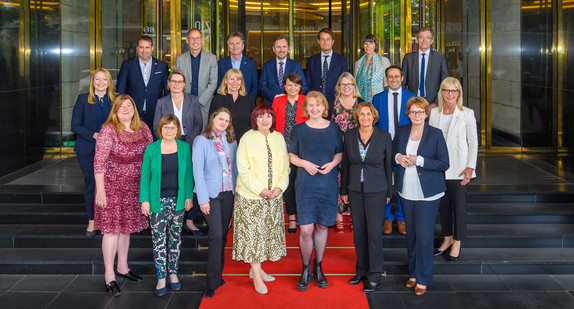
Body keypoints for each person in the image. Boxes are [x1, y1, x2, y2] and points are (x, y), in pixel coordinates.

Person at [94, 95, 154, 296]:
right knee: (111, 230)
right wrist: (100, 190)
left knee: (126, 229)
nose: (126, 108)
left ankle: (123, 267)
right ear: (116, 110)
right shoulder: (108, 130)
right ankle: (109, 275)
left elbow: (151, 155)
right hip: (111, 188)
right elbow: (99, 163)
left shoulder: (143, 128)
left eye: (129, 105)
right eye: (122, 106)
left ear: (134, 109)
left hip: (135, 188)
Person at [393, 97, 449, 296]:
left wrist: (420, 160)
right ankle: (414, 274)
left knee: (424, 236)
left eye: (420, 112)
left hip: (428, 193)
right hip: (406, 190)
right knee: (412, 235)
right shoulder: (401, 131)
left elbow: (444, 164)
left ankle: (424, 278)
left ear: (426, 114)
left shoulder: (435, 134)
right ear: (408, 114)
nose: (416, 115)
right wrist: (399, 158)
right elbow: (393, 153)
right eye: (413, 112)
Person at [288, 91, 343, 291]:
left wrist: (332, 164)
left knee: (321, 227)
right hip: (305, 184)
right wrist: (304, 163)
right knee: (305, 230)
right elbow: (292, 155)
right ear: (306, 109)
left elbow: (339, 153)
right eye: (310, 105)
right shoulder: (299, 129)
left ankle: (318, 266)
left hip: (327, 183)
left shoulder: (334, 129)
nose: (314, 108)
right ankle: (305, 268)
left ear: (324, 108)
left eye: (318, 105)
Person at [232, 104, 289, 295]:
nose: (265, 120)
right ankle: (256, 275)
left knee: (265, 235)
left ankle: (256, 269)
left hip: (273, 197)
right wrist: (260, 189)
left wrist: (279, 187)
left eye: (268, 116)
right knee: (253, 236)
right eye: (261, 116)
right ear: (254, 119)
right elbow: (243, 168)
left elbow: (285, 167)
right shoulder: (247, 138)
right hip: (251, 197)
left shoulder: (279, 137)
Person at [340, 102, 392, 293]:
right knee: (359, 232)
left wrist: (389, 192)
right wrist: (344, 190)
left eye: (368, 114)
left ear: (374, 116)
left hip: (377, 190)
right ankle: (361, 271)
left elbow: (388, 166)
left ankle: (375, 275)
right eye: (361, 114)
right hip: (354, 189)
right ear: (357, 116)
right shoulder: (350, 135)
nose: (365, 117)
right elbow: (345, 164)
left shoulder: (384, 136)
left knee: (374, 233)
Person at [140, 114, 194, 296]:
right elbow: (145, 177)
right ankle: (161, 277)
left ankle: (173, 274)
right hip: (157, 202)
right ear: (160, 130)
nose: (169, 130)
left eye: (173, 127)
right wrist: (145, 200)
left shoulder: (185, 148)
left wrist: (188, 197)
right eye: (166, 127)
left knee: (175, 239)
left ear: (178, 130)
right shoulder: (151, 149)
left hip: (178, 201)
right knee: (158, 241)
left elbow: (188, 175)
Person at [429, 77, 478, 262]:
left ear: (459, 93)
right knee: (443, 207)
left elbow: (473, 142)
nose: (450, 94)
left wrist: (470, 167)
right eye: (447, 90)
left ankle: (457, 241)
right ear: (441, 92)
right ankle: (447, 238)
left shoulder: (467, 113)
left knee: (459, 207)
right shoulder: (434, 113)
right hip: (439, 168)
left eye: (454, 91)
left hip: (459, 168)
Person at [192, 108, 238, 299]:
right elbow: (198, 171)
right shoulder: (201, 140)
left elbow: (235, 169)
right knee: (216, 235)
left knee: (223, 236)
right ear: (213, 118)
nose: (224, 123)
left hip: (228, 193)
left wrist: (237, 196)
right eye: (221, 119)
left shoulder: (231, 141)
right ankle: (211, 282)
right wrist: (202, 199)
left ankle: (218, 276)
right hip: (210, 195)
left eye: (227, 120)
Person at [372, 65, 417, 235]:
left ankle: (402, 218)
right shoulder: (378, 98)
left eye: (396, 76)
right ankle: (387, 218)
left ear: (402, 78)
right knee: (384, 183)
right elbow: (374, 123)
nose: (393, 79)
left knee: (404, 182)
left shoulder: (412, 97)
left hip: (405, 146)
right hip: (384, 145)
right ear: (386, 79)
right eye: (390, 77)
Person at [71, 68, 115, 238]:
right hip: (87, 149)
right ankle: (92, 221)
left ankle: (108, 220)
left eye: (104, 79)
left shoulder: (116, 99)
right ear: (92, 82)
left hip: (111, 150)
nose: (101, 82)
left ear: (109, 82)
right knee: (92, 185)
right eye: (97, 79)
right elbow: (75, 126)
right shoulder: (83, 99)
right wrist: (94, 135)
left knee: (109, 186)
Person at [271, 72, 308, 234]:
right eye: (289, 85)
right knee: (289, 183)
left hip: (304, 149)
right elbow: (272, 124)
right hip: (283, 148)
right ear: (284, 87)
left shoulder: (307, 100)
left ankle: (305, 216)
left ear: (300, 86)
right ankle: (292, 217)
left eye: (296, 84)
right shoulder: (278, 101)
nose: (293, 88)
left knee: (303, 184)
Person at [330, 72, 365, 233]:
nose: (346, 87)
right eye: (342, 84)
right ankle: (338, 219)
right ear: (338, 87)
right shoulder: (331, 103)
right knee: (337, 182)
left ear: (354, 86)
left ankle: (354, 217)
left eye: (349, 84)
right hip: (335, 148)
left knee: (355, 181)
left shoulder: (361, 103)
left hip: (357, 149)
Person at [116, 35, 169, 131]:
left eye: (147, 47)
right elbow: (120, 91)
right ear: (137, 48)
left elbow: (167, 91)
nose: (144, 50)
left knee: (153, 141)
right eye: (141, 47)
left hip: (155, 112)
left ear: (152, 48)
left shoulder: (162, 66)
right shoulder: (127, 65)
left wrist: (166, 112)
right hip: (133, 113)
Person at [175, 28, 218, 128]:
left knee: (204, 134)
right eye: (192, 38)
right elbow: (176, 82)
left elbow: (213, 83)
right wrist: (188, 101)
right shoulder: (180, 59)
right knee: (184, 132)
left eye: (198, 38)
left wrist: (200, 101)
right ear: (187, 40)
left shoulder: (211, 58)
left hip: (205, 104)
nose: (195, 41)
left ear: (202, 40)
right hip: (184, 103)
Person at [401, 27, 449, 108]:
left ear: (432, 41)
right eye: (421, 37)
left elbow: (445, 83)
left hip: (433, 103)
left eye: (428, 37)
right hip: (413, 101)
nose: (424, 40)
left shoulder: (440, 58)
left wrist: (436, 103)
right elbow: (403, 82)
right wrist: (406, 101)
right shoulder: (408, 58)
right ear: (417, 40)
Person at [153, 70, 203, 143]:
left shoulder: (193, 100)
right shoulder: (161, 102)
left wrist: (189, 142)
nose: (177, 84)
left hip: (189, 140)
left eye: (180, 82)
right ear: (168, 83)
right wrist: (167, 141)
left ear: (184, 84)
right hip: (168, 140)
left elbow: (198, 124)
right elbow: (156, 126)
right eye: (173, 81)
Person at [260, 35, 308, 105]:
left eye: (284, 47)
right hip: (272, 105)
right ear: (273, 49)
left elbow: (304, 86)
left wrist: (290, 97)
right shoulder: (266, 66)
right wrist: (276, 97)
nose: (281, 50)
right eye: (278, 47)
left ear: (288, 48)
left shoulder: (296, 66)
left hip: (292, 105)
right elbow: (262, 87)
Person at [209, 68, 256, 141]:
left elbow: (254, 122)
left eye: (238, 79)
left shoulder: (249, 100)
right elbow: (211, 122)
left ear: (241, 82)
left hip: (245, 142)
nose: (235, 82)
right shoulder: (217, 99)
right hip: (222, 142)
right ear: (225, 81)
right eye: (232, 79)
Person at [305, 28, 349, 102]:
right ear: (318, 41)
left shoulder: (342, 61)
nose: (325, 42)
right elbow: (307, 84)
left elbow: (345, 83)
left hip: (336, 102)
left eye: (328, 39)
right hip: (316, 103)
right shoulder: (311, 61)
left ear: (333, 41)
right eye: (322, 39)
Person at [217, 32, 258, 100]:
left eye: (238, 43)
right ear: (228, 47)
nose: (235, 46)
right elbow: (218, 86)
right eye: (232, 44)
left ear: (242, 46)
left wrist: (248, 101)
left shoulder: (251, 64)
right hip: (225, 104)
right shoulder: (220, 64)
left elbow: (255, 87)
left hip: (246, 103)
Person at [354, 34, 391, 103]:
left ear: (375, 45)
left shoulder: (384, 61)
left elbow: (387, 85)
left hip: (379, 101)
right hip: (361, 102)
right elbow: (355, 85)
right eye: (365, 43)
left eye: (371, 43)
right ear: (363, 46)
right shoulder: (358, 63)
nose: (368, 46)